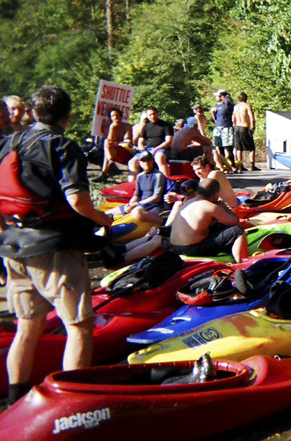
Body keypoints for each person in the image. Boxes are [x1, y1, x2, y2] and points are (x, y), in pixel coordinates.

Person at [0, 86, 113, 405]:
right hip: (54, 248)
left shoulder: (10, 142)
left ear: (34, 112)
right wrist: (101, 220)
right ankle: (73, 402)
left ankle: (15, 398)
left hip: (14, 247)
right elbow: (77, 199)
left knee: (27, 326)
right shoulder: (61, 145)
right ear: (68, 115)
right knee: (79, 326)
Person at [168, 178, 247, 263]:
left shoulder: (187, 202)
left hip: (175, 247)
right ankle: (240, 263)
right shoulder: (210, 207)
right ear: (216, 194)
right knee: (238, 231)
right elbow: (235, 222)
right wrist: (224, 207)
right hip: (192, 249)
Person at [107, 152, 167, 225]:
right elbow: (136, 195)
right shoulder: (140, 176)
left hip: (153, 205)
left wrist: (137, 204)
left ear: (153, 162)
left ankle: (163, 222)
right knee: (108, 213)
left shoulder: (158, 175)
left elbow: (157, 198)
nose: (146, 163)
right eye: (143, 160)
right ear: (139, 163)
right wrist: (130, 204)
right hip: (141, 204)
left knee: (136, 213)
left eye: (149, 160)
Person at [129, 106, 173, 178]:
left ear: (157, 114)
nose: (153, 116)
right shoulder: (146, 127)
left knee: (159, 157)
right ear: (147, 116)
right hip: (148, 149)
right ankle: (132, 186)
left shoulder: (166, 125)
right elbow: (140, 142)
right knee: (132, 162)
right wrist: (143, 151)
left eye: (154, 114)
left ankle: (166, 182)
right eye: (150, 115)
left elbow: (168, 141)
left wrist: (155, 149)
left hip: (162, 149)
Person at [92, 108, 134, 182]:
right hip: (114, 150)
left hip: (125, 151)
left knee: (107, 148)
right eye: (113, 116)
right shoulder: (110, 127)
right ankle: (110, 162)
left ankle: (105, 171)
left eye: (117, 115)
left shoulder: (127, 126)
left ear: (121, 117)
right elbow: (110, 140)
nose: (115, 117)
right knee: (107, 143)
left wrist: (118, 142)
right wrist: (112, 128)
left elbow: (127, 140)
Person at [211, 89, 235, 173]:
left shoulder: (228, 105)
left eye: (218, 96)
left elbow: (229, 102)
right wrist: (213, 114)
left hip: (226, 127)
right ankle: (224, 166)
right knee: (219, 148)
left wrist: (226, 96)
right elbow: (213, 120)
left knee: (228, 147)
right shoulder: (217, 106)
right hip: (218, 128)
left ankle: (232, 165)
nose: (216, 98)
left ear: (222, 96)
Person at [233, 92, 257, 172]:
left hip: (237, 127)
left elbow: (233, 119)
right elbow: (251, 117)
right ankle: (252, 165)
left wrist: (235, 126)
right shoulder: (247, 106)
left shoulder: (235, 107)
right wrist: (253, 127)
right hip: (244, 127)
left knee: (239, 148)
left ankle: (240, 166)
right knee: (251, 148)